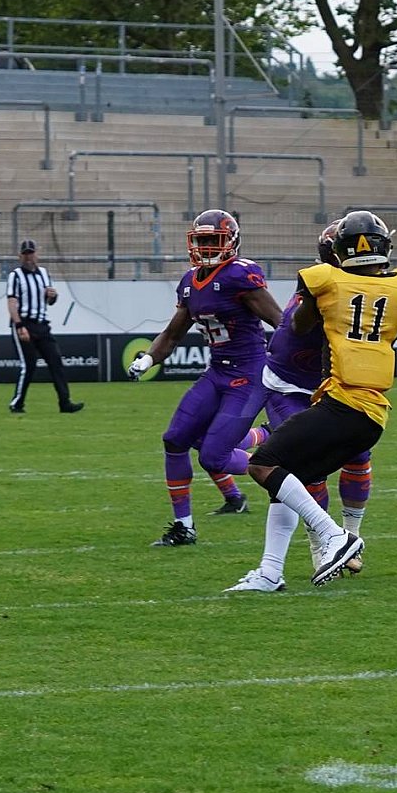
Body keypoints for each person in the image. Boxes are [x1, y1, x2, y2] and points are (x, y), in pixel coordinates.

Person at [228, 211, 397, 591]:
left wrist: (319, 295)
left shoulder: (326, 281)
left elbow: (301, 323)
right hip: (361, 408)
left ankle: (336, 536)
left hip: (343, 403)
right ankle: (271, 572)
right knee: (289, 472)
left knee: (264, 465)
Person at [127, 210, 282, 546]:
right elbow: (172, 334)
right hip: (218, 372)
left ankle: (280, 467)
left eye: (214, 239)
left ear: (231, 241)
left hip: (248, 374)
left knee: (213, 456)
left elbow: (280, 323)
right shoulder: (189, 282)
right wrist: (148, 358)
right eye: (202, 240)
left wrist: (295, 369)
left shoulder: (241, 274)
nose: (207, 247)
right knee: (176, 439)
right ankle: (184, 527)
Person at [234, 223, 377, 575]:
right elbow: (300, 326)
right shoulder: (323, 285)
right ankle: (321, 544)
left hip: (334, 388)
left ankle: (350, 535)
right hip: (290, 387)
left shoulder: (367, 287)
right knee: (305, 467)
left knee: (358, 456)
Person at [5, 239, 84, 415]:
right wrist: (19, 325)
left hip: (42, 325)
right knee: (29, 365)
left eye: (31, 253)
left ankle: (65, 402)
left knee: (56, 361)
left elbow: (49, 301)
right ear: (20, 256)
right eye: (25, 254)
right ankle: (17, 403)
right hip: (25, 323)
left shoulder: (43, 273)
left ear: (36, 254)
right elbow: (11, 302)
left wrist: (52, 296)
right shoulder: (15, 276)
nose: (28, 257)